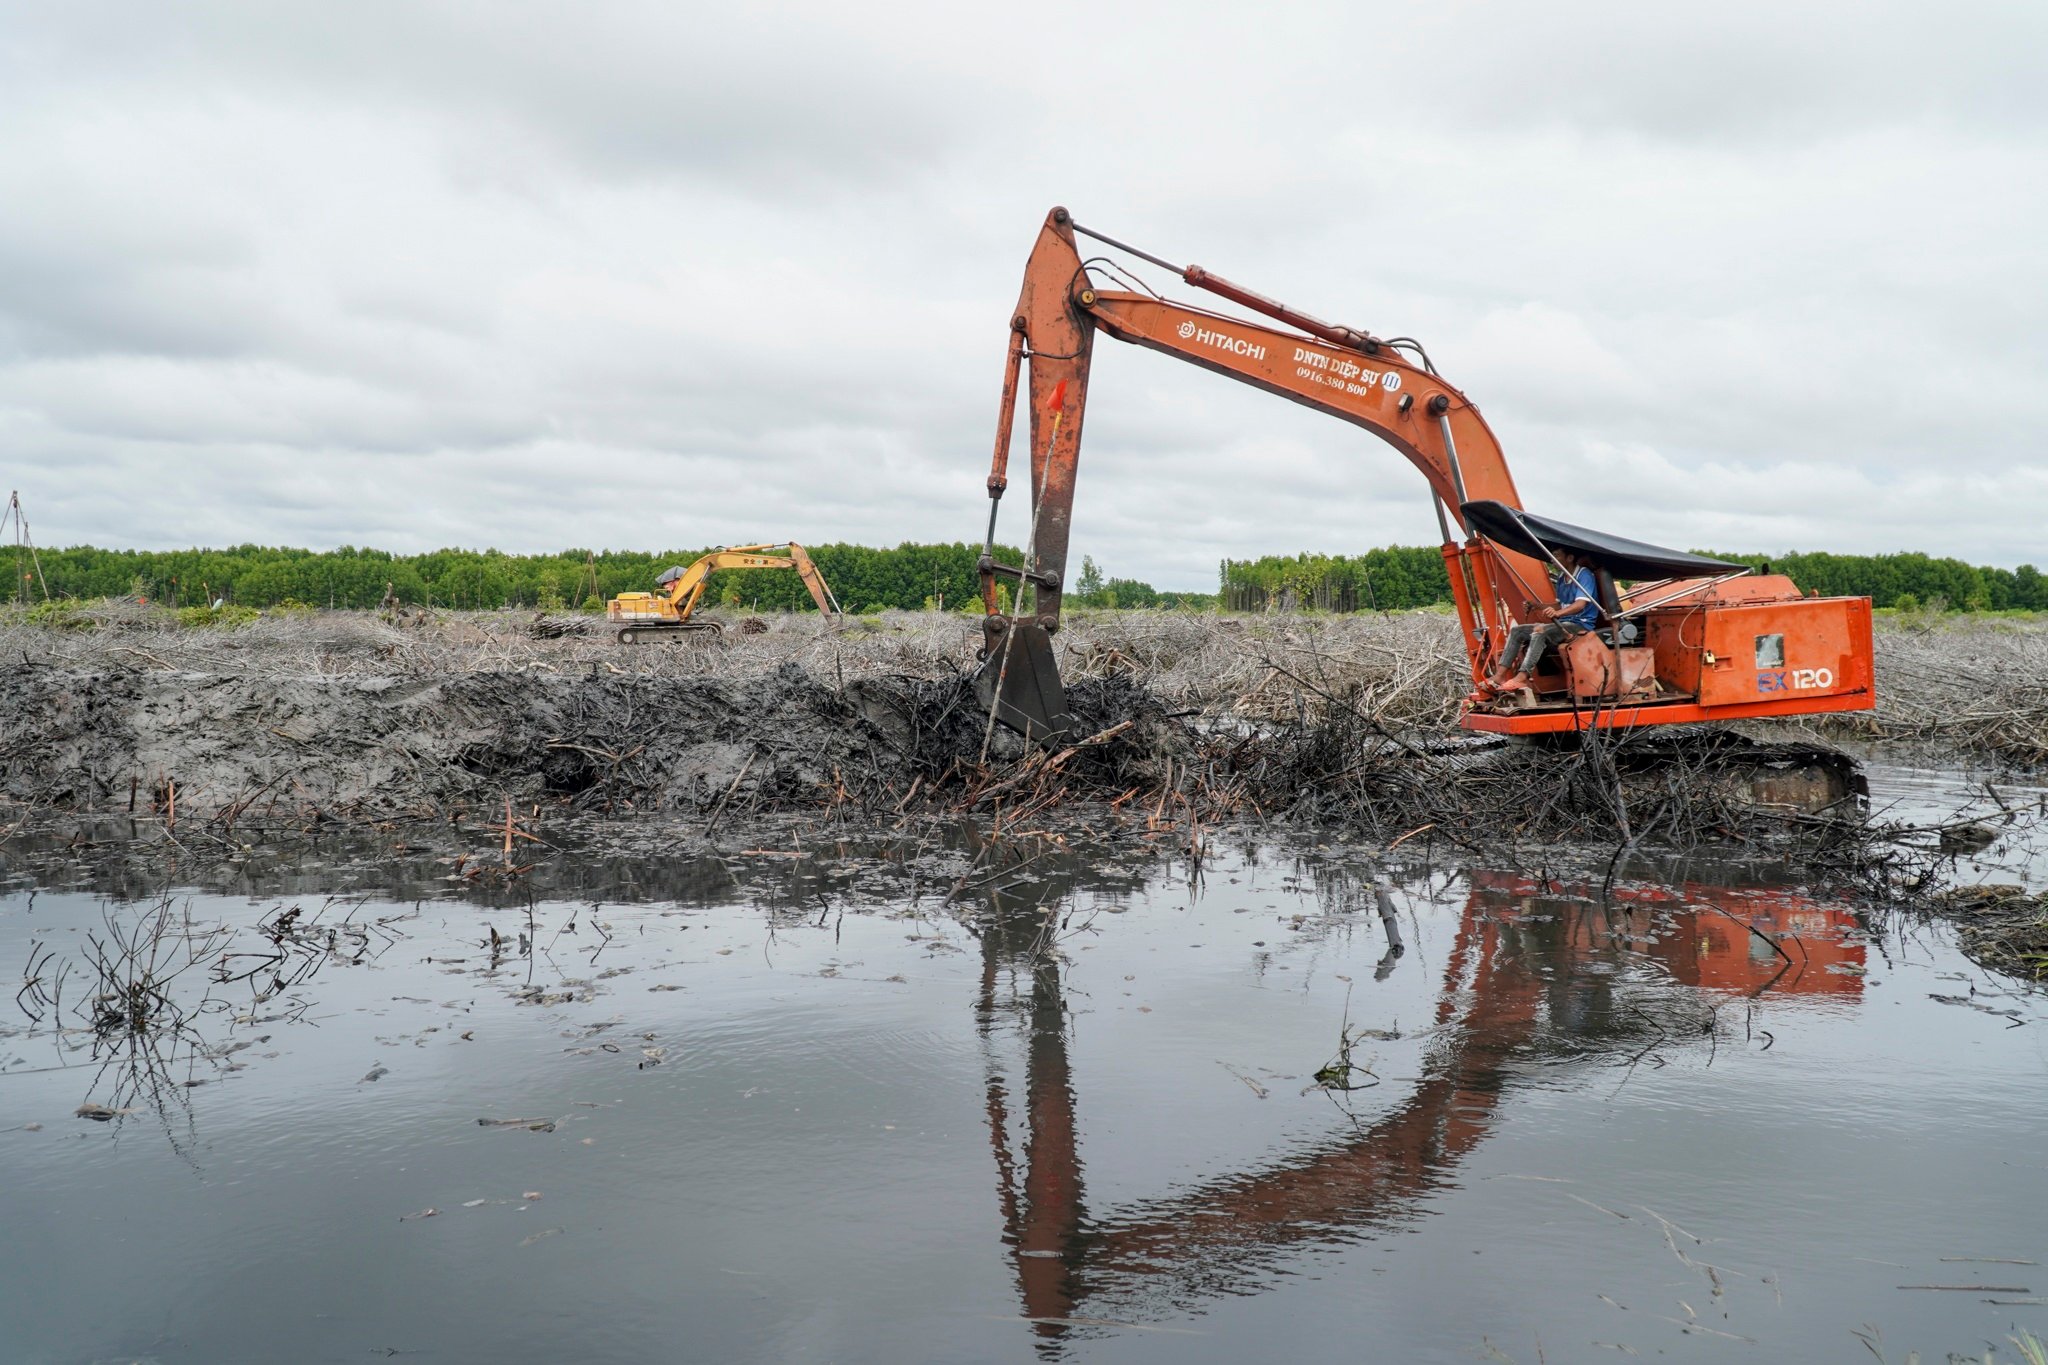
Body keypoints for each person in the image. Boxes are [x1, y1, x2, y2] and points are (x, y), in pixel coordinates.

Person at [1468, 548, 1602, 703]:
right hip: (1565, 623)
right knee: (1518, 631)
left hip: (1580, 625)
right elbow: (1561, 605)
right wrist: (1537, 606)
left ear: (1570, 557)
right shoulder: (1561, 577)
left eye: (1556, 555)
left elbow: (1579, 604)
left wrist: (1557, 614)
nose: (1552, 559)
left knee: (1540, 631)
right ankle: (1499, 676)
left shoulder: (1584, 575)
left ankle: (1522, 677)